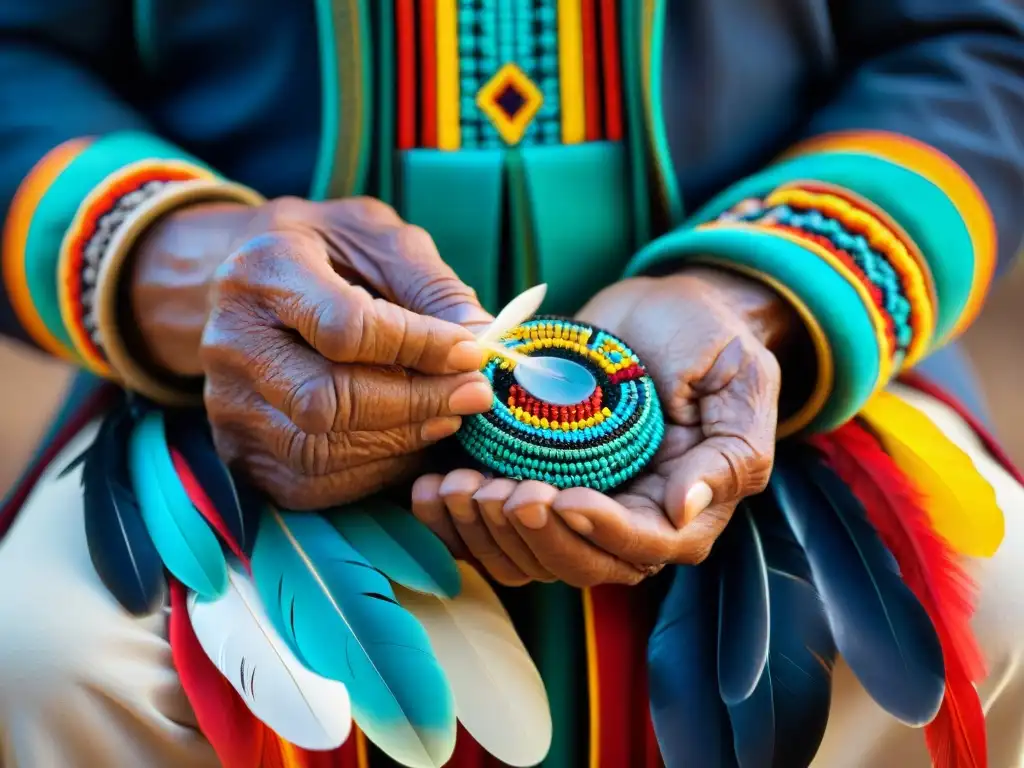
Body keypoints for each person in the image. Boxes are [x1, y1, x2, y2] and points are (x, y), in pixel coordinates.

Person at [0, 1, 1023, 766]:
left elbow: (982, 50)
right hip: (238, 379)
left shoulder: (758, 324)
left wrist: (756, 296)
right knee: (48, 655)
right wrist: (187, 262)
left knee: (999, 610)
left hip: (761, 359)